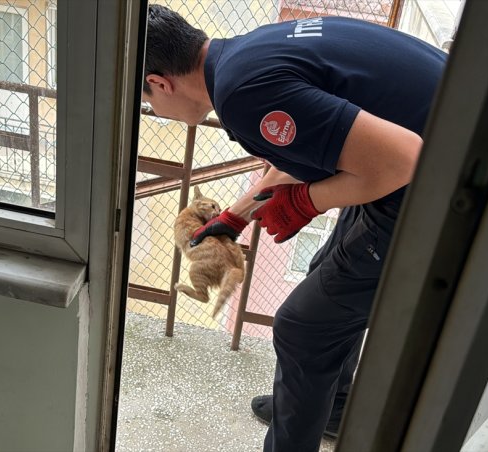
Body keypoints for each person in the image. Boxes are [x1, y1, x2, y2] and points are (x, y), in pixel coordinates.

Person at [143, 5, 447, 451]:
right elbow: (312, 149)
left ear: (159, 82)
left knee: (303, 327)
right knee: (328, 277)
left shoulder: (241, 95)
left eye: (149, 100)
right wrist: (236, 216)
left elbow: (404, 159)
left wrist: (307, 202)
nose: (156, 109)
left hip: (442, 191)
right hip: (432, 161)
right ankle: (332, 406)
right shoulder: (243, 55)